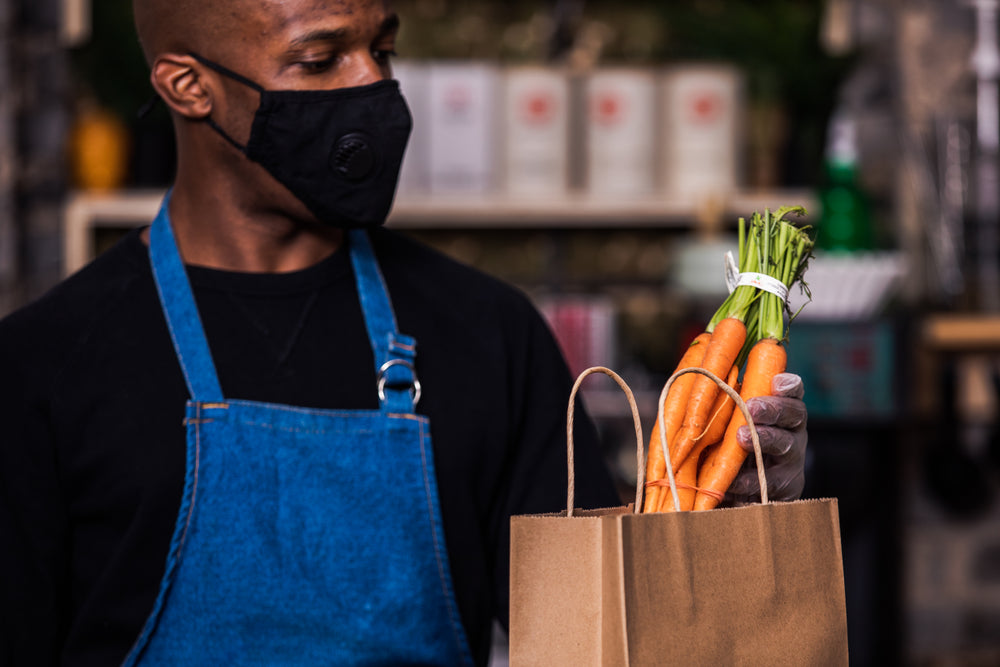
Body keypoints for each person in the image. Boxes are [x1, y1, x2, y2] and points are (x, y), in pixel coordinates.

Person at [0, 0, 808, 664]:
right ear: (188, 85)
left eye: (381, 50)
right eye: (321, 61)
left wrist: (729, 514)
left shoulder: (491, 335)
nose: (374, 88)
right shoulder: (44, 365)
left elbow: (612, 643)